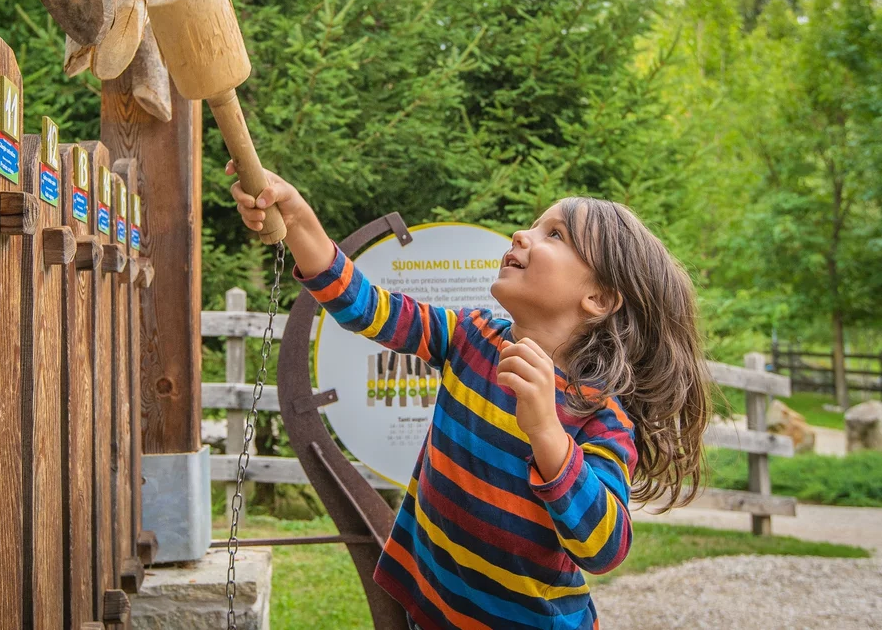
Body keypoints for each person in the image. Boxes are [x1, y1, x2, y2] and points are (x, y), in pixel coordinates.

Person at [227, 161, 711, 630]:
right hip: (433, 608)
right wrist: (297, 219)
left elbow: (604, 547)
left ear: (599, 300)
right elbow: (367, 306)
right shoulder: (472, 337)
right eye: (534, 225)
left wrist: (546, 431)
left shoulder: (601, 417)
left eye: (555, 235)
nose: (523, 235)